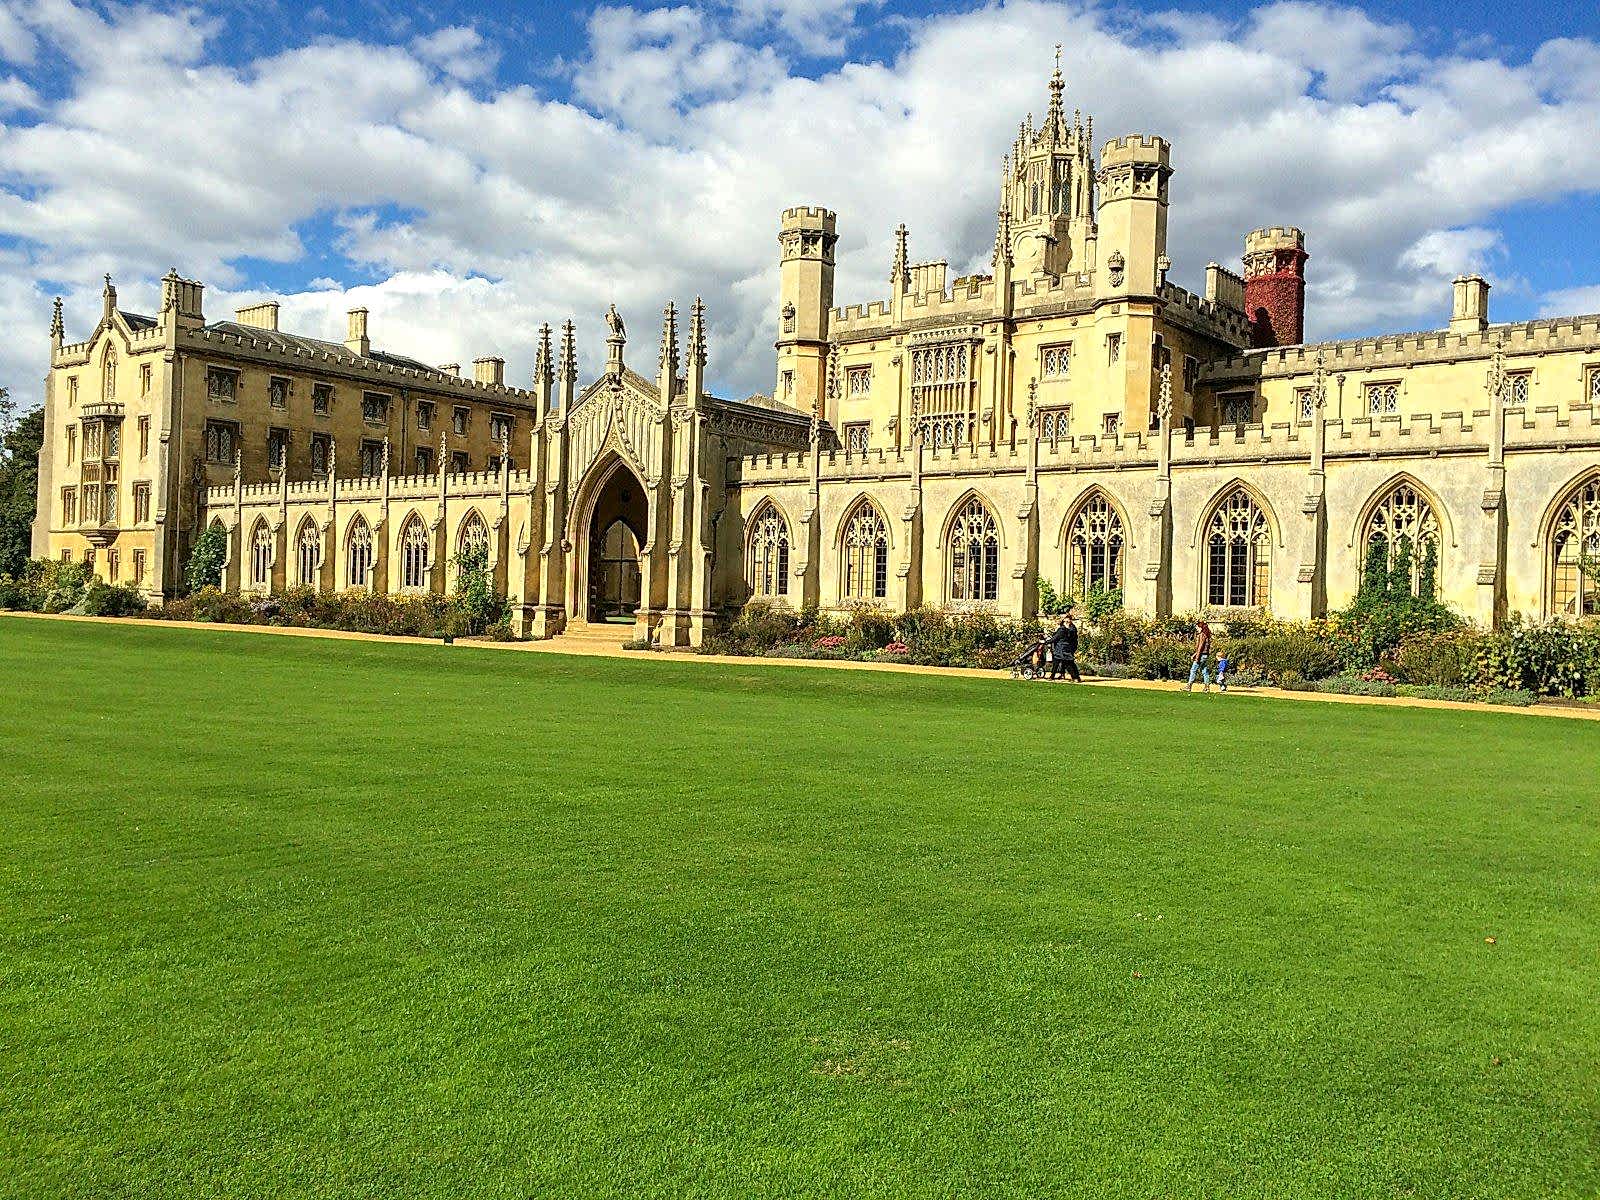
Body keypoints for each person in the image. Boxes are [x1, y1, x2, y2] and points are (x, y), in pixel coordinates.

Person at [1049, 614, 1082, 682]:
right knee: (1062, 662)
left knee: (1067, 663)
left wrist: (1046, 642)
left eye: (1067, 619)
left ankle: (1075, 677)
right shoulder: (1067, 628)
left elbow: (1056, 638)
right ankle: (1058, 675)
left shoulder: (1066, 629)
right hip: (1065, 648)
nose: (1066, 621)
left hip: (1063, 648)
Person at [1186, 620, 1213, 692]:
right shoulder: (1207, 635)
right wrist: (1194, 654)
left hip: (1201, 656)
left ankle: (1189, 686)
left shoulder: (1202, 635)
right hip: (1205, 655)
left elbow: (1200, 647)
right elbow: (1203, 647)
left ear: (1200, 627)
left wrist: (1197, 657)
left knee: (1193, 670)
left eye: (1197, 626)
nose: (1196, 628)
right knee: (1205, 671)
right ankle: (1207, 688)